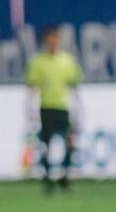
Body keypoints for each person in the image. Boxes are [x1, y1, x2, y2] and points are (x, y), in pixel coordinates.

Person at [25, 25, 83, 193]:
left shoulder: (67, 61)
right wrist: (30, 110)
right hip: (45, 107)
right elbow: (32, 88)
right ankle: (48, 177)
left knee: (69, 142)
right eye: (49, 40)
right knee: (45, 145)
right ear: (45, 41)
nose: (53, 43)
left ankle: (64, 175)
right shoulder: (38, 62)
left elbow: (74, 87)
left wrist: (78, 108)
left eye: (55, 39)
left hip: (63, 108)